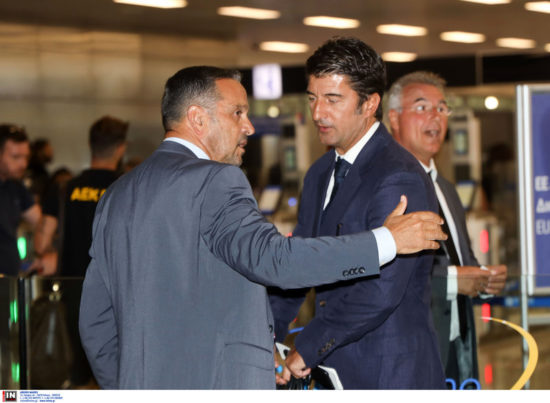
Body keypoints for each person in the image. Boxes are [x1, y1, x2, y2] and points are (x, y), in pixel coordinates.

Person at [78, 65, 448, 389]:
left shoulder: (116, 195)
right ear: (197, 118)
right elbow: (276, 260)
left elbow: (95, 322)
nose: (249, 127)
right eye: (237, 113)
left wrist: (127, 386)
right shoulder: (215, 180)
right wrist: (386, 241)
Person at [269, 38, 445, 389]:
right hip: (336, 371)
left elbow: (381, 289)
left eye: (333, 99)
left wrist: (308, 346)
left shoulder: (398, 175)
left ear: (370, 104)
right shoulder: (320, 173)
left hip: (389, 374)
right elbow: (299, 263)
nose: (318, 113)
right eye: (312, 98)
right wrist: (267, 334)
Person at [387, 71, 507, 386]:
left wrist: (482, 278)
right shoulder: (387, 188)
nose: (435, 117)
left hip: (456, 341)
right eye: (422, 107)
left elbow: (460, 260)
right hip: (413, 350)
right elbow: (390, 273)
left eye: (441, 108)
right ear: (394, 118)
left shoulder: (447, 190)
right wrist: (455, 280)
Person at [35, 115, 128, 388]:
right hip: (118, 296)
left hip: (72, 295)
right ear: (121, 148)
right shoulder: (128, 188)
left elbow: (40, 243)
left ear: (90, 145)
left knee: (76, 376)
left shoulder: (64, 189)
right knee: (115, 376)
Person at [0, 124, 41, 275]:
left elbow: (40, 221)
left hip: (9, 278)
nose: (23, 164)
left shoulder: (16, 186)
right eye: (15, 157)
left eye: (26, 157)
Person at [27, 138, 54, 203]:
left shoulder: (41, 170)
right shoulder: (36, 171)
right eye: (48, 149)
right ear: (40, 151)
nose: (51, 151)